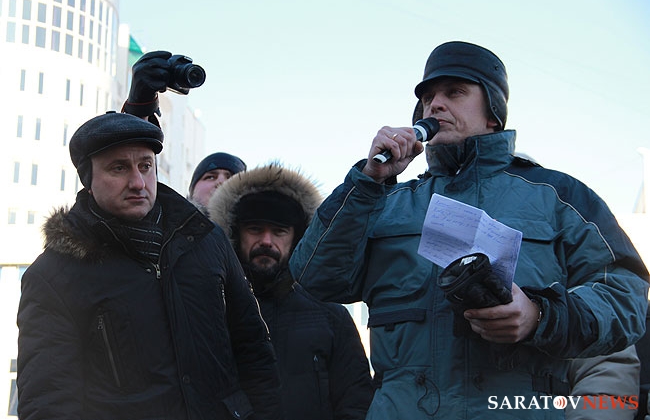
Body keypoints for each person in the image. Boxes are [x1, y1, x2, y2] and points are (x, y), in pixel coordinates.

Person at [289, 41, 650, 419]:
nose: (435, 105)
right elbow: (314, 277)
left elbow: (625, 296)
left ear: (493, 111)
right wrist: (367, 181)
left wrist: (540, 317)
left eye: (455, 92)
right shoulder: (384, 202)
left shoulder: (560, 197)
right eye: (427, 98)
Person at [16, 112, 284, 420]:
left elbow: (254, 352)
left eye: (145, 166)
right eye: (119, 168)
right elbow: (48, 400)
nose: (138, 182)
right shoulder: (54, 275)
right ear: (88, 180)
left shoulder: (207, 240)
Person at [208, 162, 375, 420]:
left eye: (279, 231)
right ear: (235, 233)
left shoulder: (330, 315)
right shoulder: (212, 311)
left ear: (297, 237)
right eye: (255, 229)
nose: (266, 241)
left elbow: (356, 402)